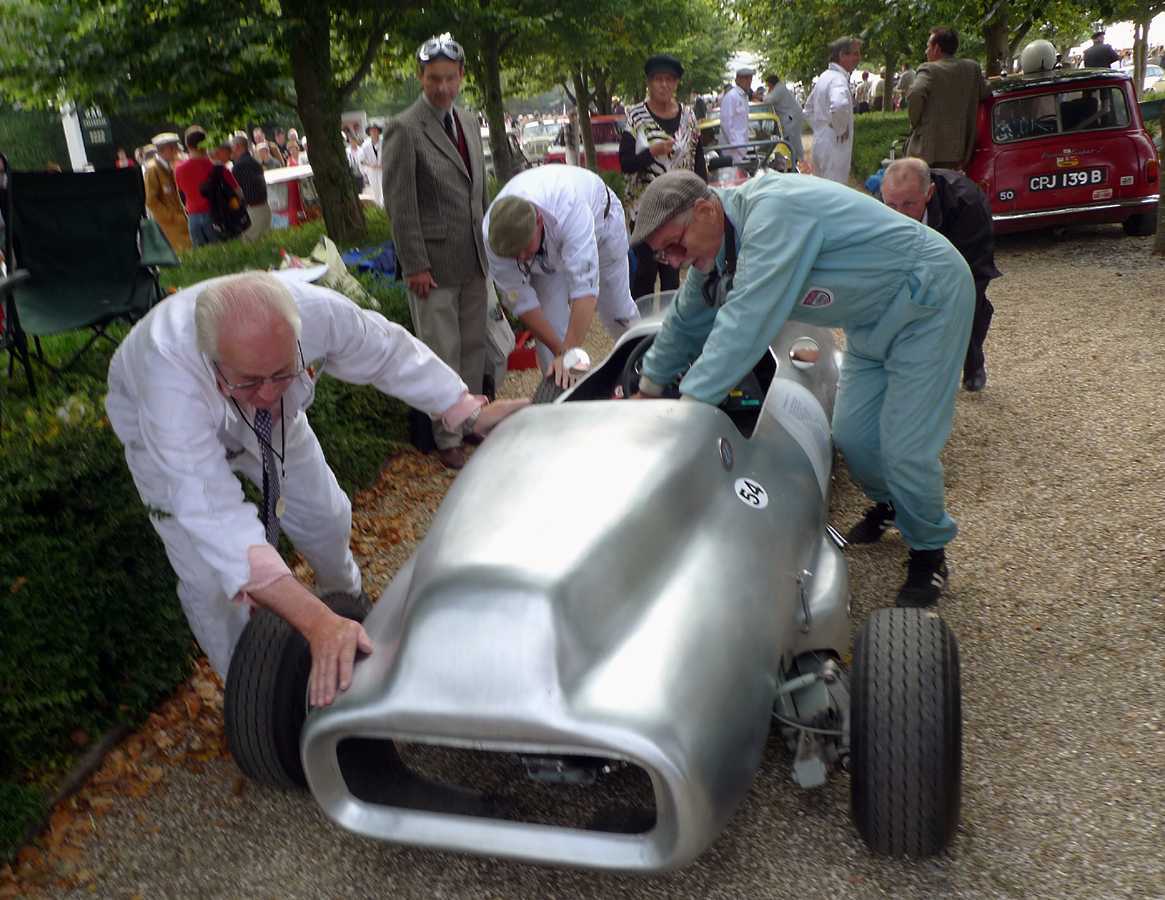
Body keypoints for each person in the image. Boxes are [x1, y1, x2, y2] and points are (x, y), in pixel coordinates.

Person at [105, 271, 526, 702]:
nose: (268, 392)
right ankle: (250, 695)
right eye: (251, 380)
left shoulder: (316, 312)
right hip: (160, 439)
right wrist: (312, 622)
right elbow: (214, 517)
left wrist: (465, 412)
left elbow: (388, 353)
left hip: (278, 425)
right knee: (209, 578)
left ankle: (346, 598)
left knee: (326, 515)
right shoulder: (168, 387)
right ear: (213, 362)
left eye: (282, 371)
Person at [628, 169, 973, 608]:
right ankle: (893, 504)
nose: (673, 261)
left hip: (929, 299)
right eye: (663, 256)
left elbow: (745, 322)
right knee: (852, 436)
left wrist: (688, 411)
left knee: (905, 446)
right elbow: (687, 316)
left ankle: (929, 549)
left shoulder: (773, 214)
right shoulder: (719, 242)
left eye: (675, 246)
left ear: (704, 210)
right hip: (870, 319)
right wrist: (649, 388)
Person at [383, 34, 490, 471]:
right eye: (433, 79)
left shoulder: (466, 120)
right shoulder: (404, 128)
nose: (442, 87)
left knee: (472, 348)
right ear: (420, 77)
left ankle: (470, 423)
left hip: (474, 258)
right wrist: (415, 264)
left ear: (461, 77)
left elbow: (475, 192)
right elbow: (400, 204)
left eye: (449, 78)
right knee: (440, 352)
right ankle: (447, 436)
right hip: (433, 266)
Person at [484, 166, 641, 385]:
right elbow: (521, 301)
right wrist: (563, 354)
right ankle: (562, 393)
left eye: (523, 247)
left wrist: (571, 348)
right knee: (550, 327)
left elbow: (585, 290)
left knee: (617, 311)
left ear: (538, 220)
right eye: (512, 253)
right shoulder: (492, 238)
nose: (520, 257)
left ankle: (646, 368)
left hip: (601, 222)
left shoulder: (568, 207)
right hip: (548, 252)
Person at [880, 158, 1000, 392]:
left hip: (966, 253)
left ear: (929, 193)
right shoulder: (885, 201)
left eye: (908, 204)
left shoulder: (967, 202)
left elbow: (969, 267)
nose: (899, 215)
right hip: (912, 254)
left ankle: (973, 363)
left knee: (967, 307)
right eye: (892, 206)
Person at [620, 53, 706, 301]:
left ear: (676, 83)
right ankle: (640, 334)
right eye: (658, 79)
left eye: (670, 79)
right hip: (644, 214)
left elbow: (697, 159)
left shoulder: (689, 117)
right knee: (643, 276)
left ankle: (670, 333)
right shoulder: (635, 116)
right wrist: (652, 153)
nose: (664, 85)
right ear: (649, 83)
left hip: (680, 212)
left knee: (672, 277)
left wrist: (704, 197)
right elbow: (626, 163)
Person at [906, 27, 989, 170]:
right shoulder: (972, 68)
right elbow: (986, 91)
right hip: (960, 150)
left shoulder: (929, 69)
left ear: (936, 48)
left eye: (927, 47)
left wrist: (915, 122)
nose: (926, 52)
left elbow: (915, 93)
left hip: (928, 151)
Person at [803, 36, 861, 184]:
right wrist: (840, 128)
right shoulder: (838, 79)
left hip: (820, 142)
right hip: (834, 146)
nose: (858, 58)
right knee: (836, 194)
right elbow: (839, 105)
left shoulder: (825, 77)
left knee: (822, 191)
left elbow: (808, 109)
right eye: (855, 53)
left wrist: (820, 127)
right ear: (842, 55)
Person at [174, 125, 241, 247]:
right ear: (206, 144)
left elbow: (182, 195)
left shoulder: (179, 170)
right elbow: (237, 191)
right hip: (217, 217)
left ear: (187, 146)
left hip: (193, 219)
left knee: (203, 258)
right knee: (222, 253)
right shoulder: (218, 168)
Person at [143, 132, 192, 253]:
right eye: (174, 147)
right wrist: (172, 218)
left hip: (182, 221)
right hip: (170, 225)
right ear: (166, 149)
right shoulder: (152, 169)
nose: (177, 151)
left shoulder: (172, 165)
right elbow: (151, 200)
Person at [230, 135, 271, 242]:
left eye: (232, 147)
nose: (231, 151)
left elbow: (240, 193)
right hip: (263, 209)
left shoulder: (239, 166)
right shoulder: (254, 162)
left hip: (253, 212)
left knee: (250, 245)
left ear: (238, 147)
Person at [763, 72, 805, 164]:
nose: (768, 88)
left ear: (771, 83)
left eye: (768, 85)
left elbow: (768, 100)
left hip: (791, 118)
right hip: (791, 117)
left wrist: (763, 95)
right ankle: (796, 159)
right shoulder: (779, 88)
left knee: (793, 140)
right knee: (791, 140)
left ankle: (798, 161)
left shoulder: (779, 89)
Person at [719, 67, 753, 163]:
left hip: (741, 147)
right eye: (745, 78)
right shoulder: (731, 96)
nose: (748, 81)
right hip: (732, 149)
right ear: (738, 79)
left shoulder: (743, 97)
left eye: (750, 78)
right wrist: (737, 145)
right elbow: (726, 124)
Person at [358, 123, 383, 207]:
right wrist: (371, 165)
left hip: (383, 169)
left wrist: (384, 164)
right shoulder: (365, 145)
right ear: (369, 132)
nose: (373, 132)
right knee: (376, 190)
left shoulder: (384, 142)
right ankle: (378, 207)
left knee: (384, 189)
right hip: (372, 171)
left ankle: (385, 206)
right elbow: (361, 160)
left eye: (375, 130)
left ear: (379, 131)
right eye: (371, 131)